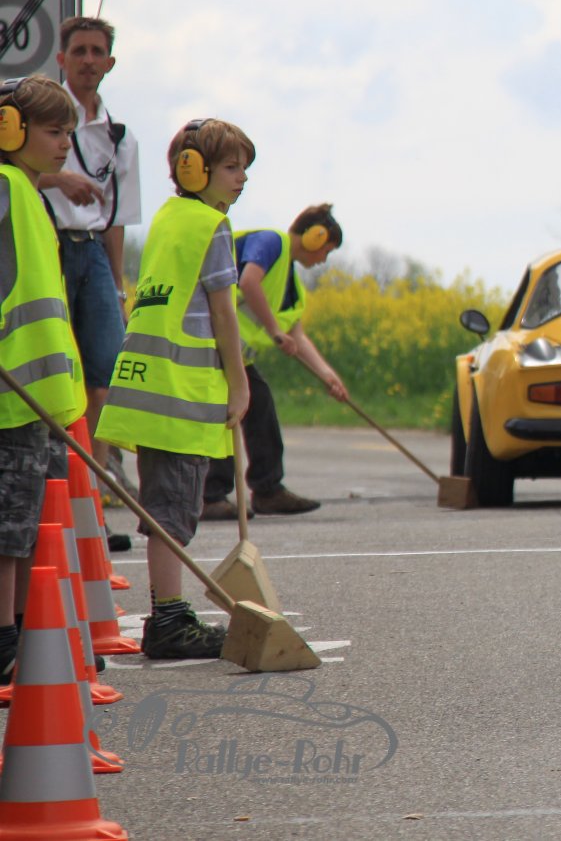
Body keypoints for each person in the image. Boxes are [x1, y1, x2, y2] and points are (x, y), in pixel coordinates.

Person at [95, 118, 253, 659]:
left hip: (151, 389)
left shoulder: (169, 218)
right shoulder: (212, 226)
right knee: (172, 514)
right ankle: (168, 621)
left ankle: (169, 613)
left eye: (245, 168)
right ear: (193, 169)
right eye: (231, 167)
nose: (242, 178)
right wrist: (239, 384)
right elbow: (224, 314)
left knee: (164, 506)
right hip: (181, 397)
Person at [0, 76, 88, 678]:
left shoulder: (30, 194)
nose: (64, 145)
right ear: (10, 129)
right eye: (55, 132)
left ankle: (29, 631)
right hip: (10, 393)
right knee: (8, 528)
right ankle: (5, 639)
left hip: (35, 397)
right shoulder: (6, 188)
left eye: (69, 133)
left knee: (26, 523)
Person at [38, 17, 140, 485]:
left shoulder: (120, 137)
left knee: (104, 370)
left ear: (110, 63)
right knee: (57, 370)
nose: (88, 60)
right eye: (79, 51)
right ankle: (54, 479)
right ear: (61, 59)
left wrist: (117, 287)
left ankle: (93, 486)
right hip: (50, 241)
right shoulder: (38, 117)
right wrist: (59, 179)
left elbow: (118, 217)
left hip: (94, 249)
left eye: (97, 52)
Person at [201, 204, 347, 519]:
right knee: (224, 416)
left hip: (232, 354)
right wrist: (274, 330)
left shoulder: (290, 285)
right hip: (210, 343)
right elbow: (249, 282)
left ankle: (267, 490)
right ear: (314, 236)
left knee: (260, 403)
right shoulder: (271, 242)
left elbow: (297, 335)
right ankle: (210, 496)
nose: (323, 259)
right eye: (326, 250)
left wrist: (327, 376)